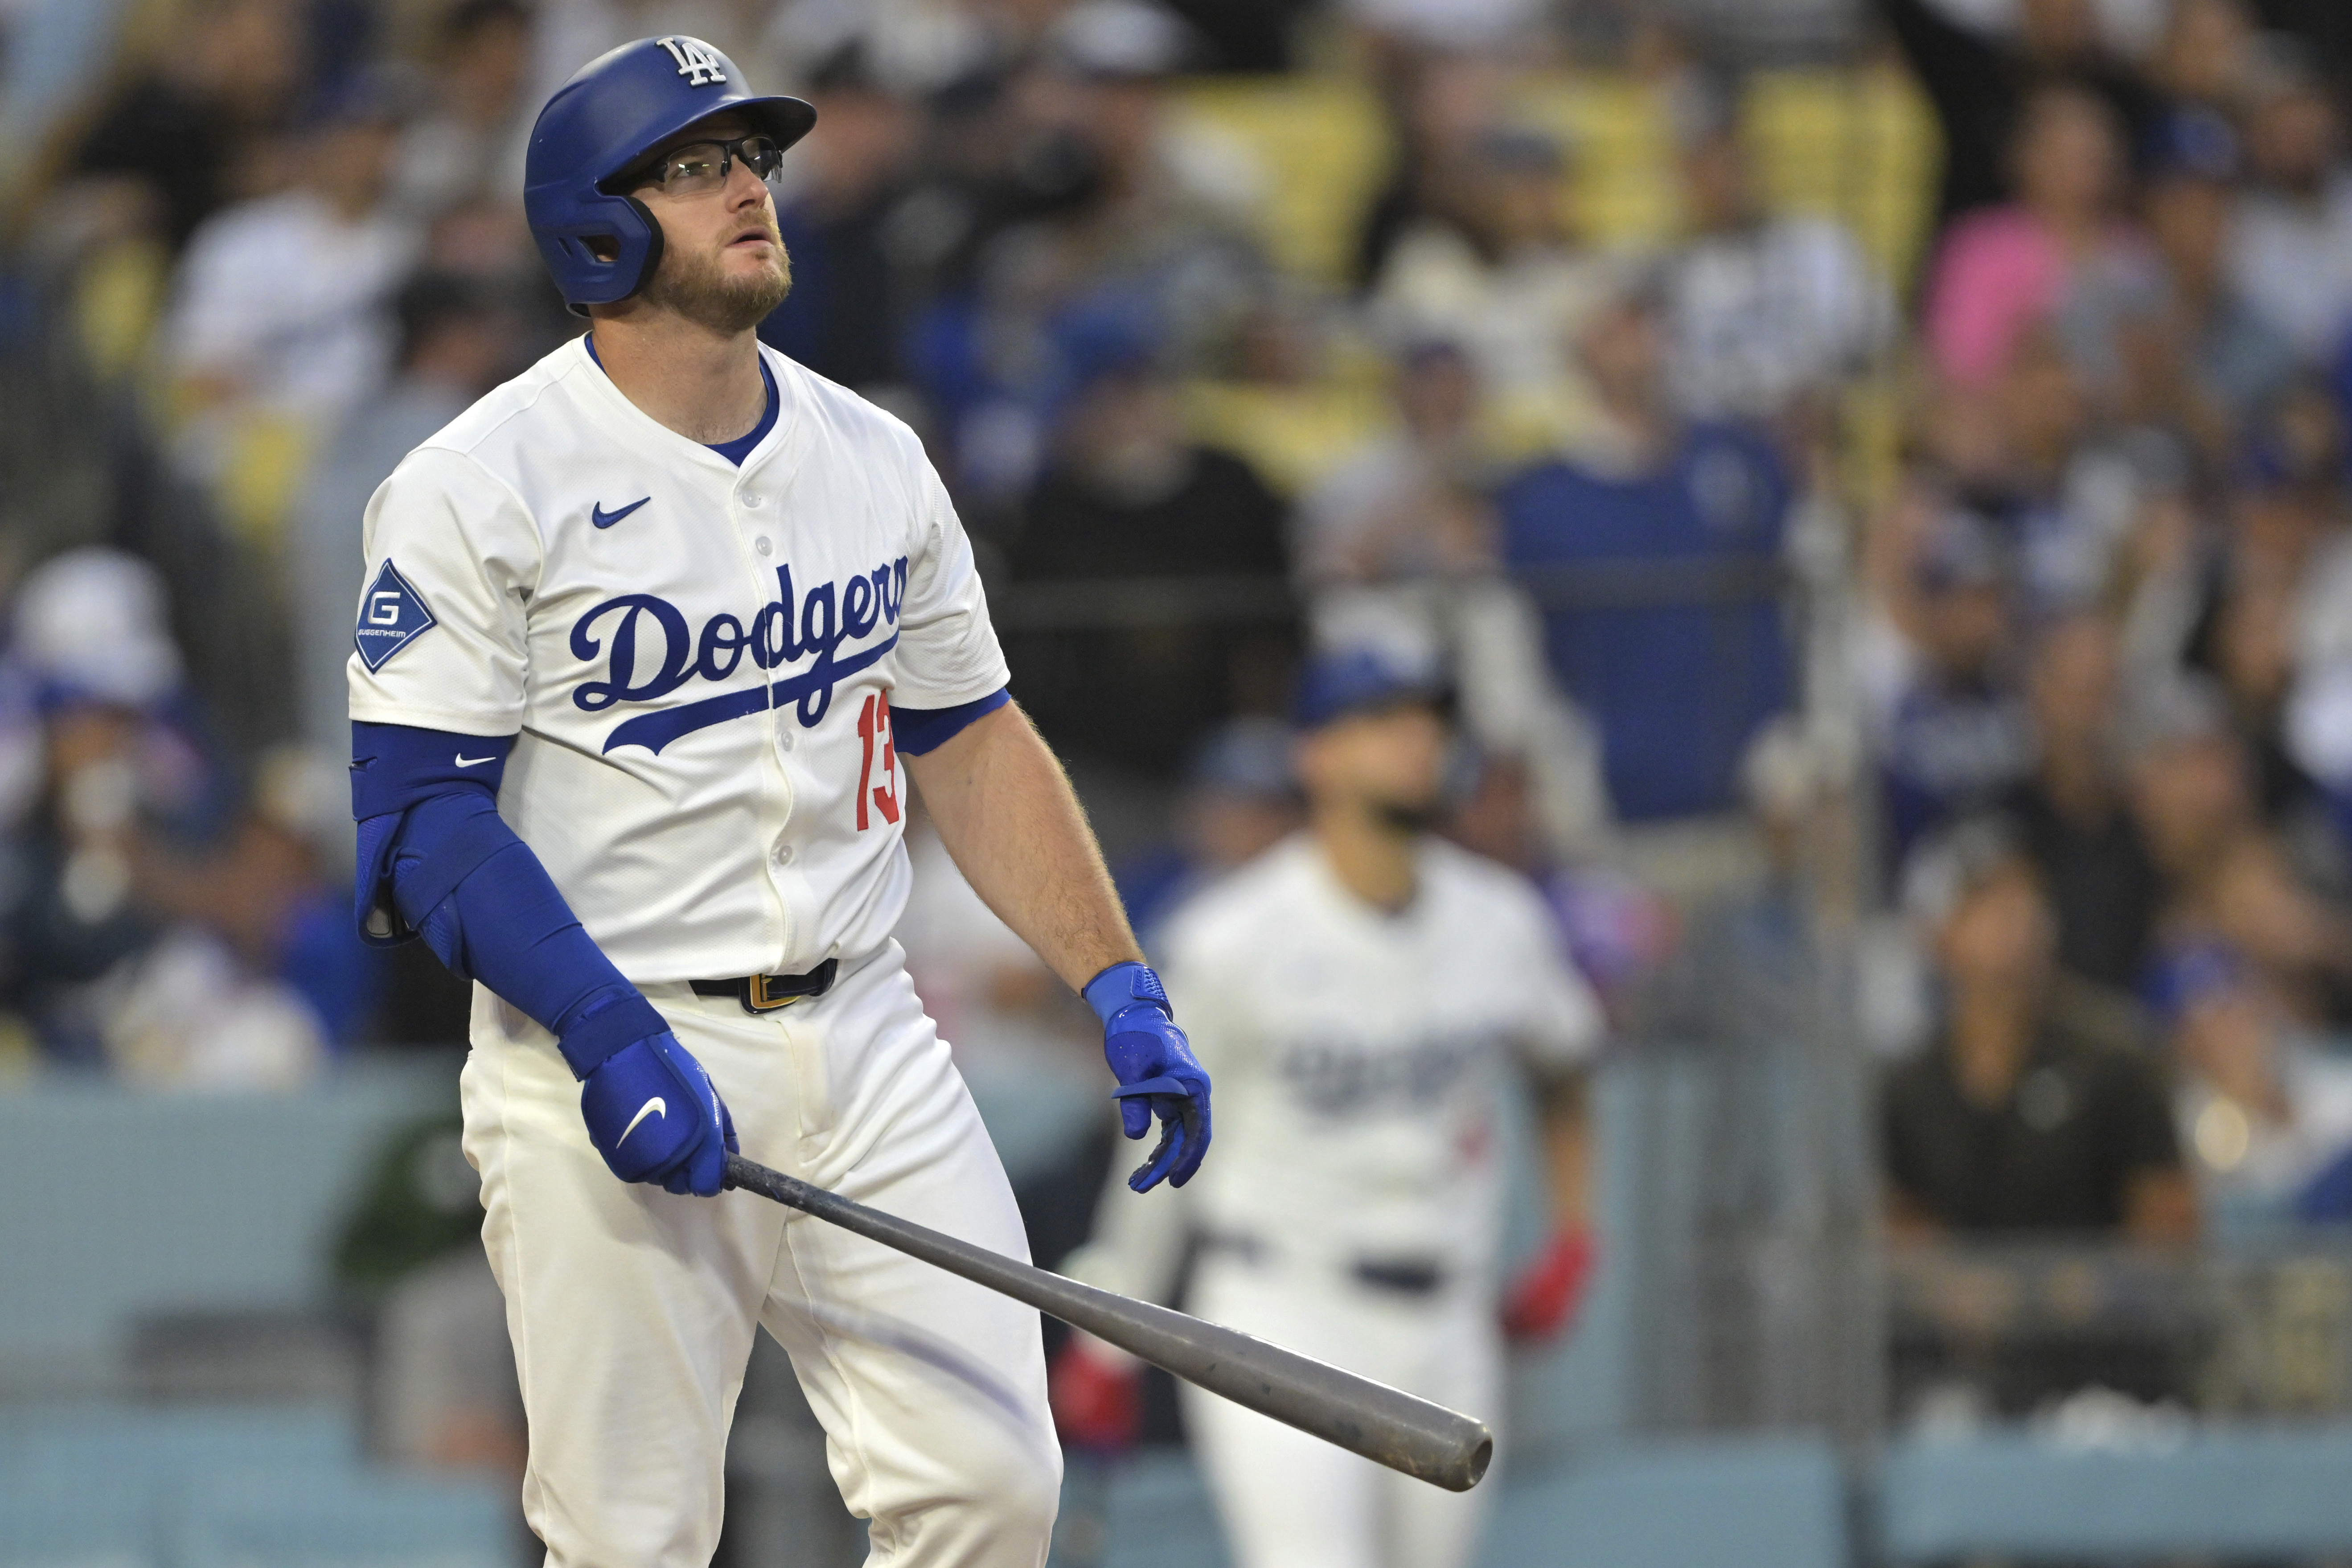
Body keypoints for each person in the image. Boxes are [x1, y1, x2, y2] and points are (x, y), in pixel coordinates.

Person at [343, 38, 1214, 1567]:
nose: (746, 186)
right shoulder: (478, 480)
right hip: (598, 1042)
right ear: (591, 230)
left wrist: (1115, 976)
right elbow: (420, 823)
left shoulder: (871, 450)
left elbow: (972, 731)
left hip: (867, 1030)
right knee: (633, 1539)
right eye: (692, 166)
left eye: (751, 156)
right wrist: (605, 1030)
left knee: (993, 1490)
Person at [1055, 649, 1601, 1568]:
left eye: (1427, 720)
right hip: (1283, 1305)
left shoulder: (1499, 920)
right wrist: (1109, 1338)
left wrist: (1574, 1234)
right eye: (1384, 720)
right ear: (1315, 755)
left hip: (1448, 1314)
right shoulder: (1232, 937)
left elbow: (1566, 1064)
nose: (1419, 741)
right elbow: (1157, 1153)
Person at [1881, 819, 2195, 1242]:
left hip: (2102, 1307)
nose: (2018, 917)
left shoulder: (2115, 1059)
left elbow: (2168, 1227)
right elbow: (1900, 1233)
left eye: (2028, 896)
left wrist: (2094, 1293)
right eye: (1985, 902)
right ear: (1938, 934)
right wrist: (1956, 1294)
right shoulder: (1910, 1088)